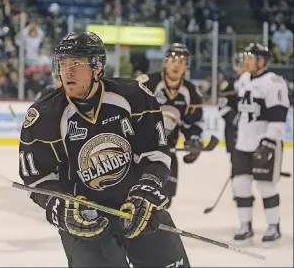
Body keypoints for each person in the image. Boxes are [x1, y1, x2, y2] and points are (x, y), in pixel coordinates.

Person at [18, 32, 190, 267]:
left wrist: (147, 188)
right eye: (63, 63)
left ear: (97, 66)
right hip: (85, 222)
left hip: (137, 209)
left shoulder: (135, 97)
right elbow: (38, 178)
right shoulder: (43, 117)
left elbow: (155, 153)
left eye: (76, 64)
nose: (67, 71)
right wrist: (58, 205)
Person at [232, 43, 289, 243]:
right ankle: (245, 225)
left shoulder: (274, 82)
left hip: (265, 143)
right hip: (243, 144)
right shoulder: (243, 80)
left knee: (266, 185)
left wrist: (269, 140)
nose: (247, 61)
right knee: (240, 185)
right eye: (246, 57)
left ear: (262, 61)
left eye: (251, 57)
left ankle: (274, 226)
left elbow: (279, 114)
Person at [136, 43, 204, 209]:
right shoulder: (146, 83)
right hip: (140, 152)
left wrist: (194, 139)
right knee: (137, 195)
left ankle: (154, 233)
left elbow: (192, 123)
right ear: (165, 62)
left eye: (182, 61)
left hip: (167, 152)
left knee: (164, 199)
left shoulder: (192, 92)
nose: (177, 64)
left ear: (186, 66)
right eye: (173, 60)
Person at [218, 52, 246, 160]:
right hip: (233, 125)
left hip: (249, 126)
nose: (243, 68)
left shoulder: (253, 81)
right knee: (235, 156)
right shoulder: (228, 81)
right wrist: (234, 117)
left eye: (245, 65)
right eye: (240, 66)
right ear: (235, 66)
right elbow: (222, 104)